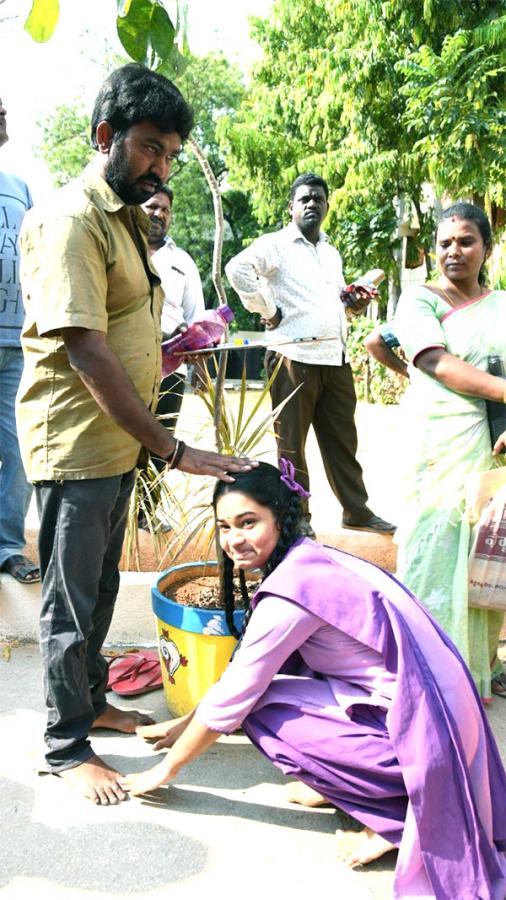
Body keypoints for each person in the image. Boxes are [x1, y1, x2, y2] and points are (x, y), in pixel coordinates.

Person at [16, 64, 256, 806]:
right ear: (104, 137)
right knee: (68, 597)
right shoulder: (70, 219)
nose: (161, 166)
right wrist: (174, 448)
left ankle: (90, 702)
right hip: (78, 441)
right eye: (151, 148)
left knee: (101, 586)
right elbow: (86, 347)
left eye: (172, 154)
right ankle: (64, 744)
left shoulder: (123, 216)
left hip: (118, 442)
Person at [120, 461, 506, 900]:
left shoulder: (290, 594)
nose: (234, 540)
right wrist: (178, 726)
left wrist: (165, 771)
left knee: (259, 709)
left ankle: (394, 819)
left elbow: (235, 697)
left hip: (429, 743)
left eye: (249, 523)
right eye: (225, 526)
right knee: (266, 686)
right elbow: (245, 672)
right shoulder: (313, 557)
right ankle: (345, 785)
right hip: (441, 720)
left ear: (281, 517)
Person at [225, 172, 395, 535]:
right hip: (293, 358)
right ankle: (297, 518)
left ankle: (357, 511)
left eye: (318, 198)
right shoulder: (277, 244)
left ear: (327, 205)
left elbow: (334, 305)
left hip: (334, 359)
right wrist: (267, 309)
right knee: (291, 447)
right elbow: (236, 269)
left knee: (343, 442)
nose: (312, 204)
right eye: (304, 199)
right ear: (291, 207)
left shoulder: (330, 252)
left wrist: (353, 304)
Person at [393, 201, 506, 701]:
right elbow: (434, 362)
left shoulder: (499, 305)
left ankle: (477, 668)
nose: (453, 251)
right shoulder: (420, 300)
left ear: (486, 247)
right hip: (434, 444)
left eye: (466, 241)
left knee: (481, 553)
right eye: (444, 243)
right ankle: (426, 665)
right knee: (430, 547)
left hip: (487, 443)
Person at [0, 94, 39, 585]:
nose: (5, 114)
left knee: (22, 450)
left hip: (17, 342)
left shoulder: (19, 187)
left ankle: (8, 545)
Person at [142, 185, 205, 457]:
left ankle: (150, 503)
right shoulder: (120, 248)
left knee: (160, 454)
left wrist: (201, 366)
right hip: (124, 366)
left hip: (170, 372)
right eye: (152, 206)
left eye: (165, 210)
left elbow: (197, 319)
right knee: (117, 455)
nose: (159, 214)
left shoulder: (182, 261)